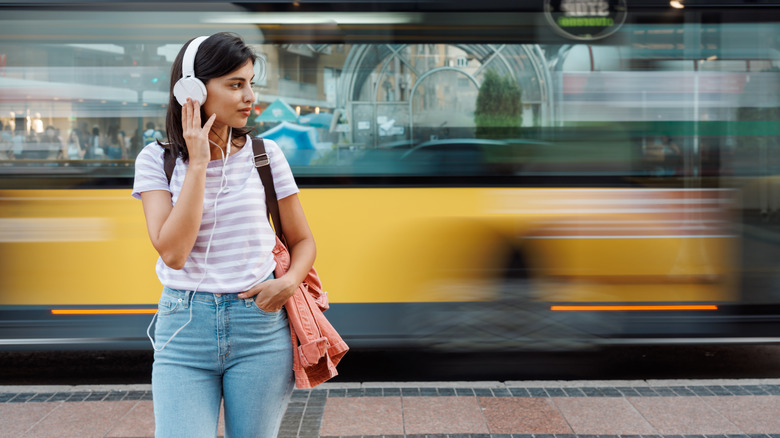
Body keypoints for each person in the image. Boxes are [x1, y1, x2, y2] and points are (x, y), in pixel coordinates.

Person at [132, 32, 315, 438]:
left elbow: (303, 241)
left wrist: (286, 284)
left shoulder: (267, 155)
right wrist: (198, 163)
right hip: (183, 330)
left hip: (260, 329)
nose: (250, 96)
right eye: (235, 84)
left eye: (251, 82)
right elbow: (174, 254)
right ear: (192, 91)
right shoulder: (156, 162)